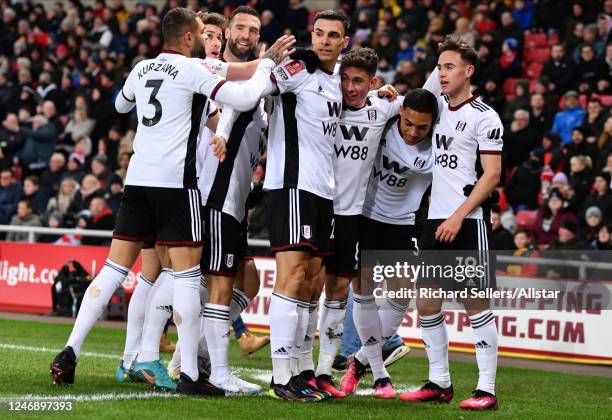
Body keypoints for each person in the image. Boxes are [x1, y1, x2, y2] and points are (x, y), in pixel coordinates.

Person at [49, 7, 295, 397]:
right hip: (177, 187)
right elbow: (245, 95)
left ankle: (70, 351)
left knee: (114, 270)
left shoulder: (142, 68)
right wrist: (267, 67)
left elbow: (119, 107)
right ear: (187, 38)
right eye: (202, 32)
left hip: (137, 182)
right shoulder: (194, 70)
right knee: (184, 277)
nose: (207, 38)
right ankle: (188, 374)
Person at [400, 35, 503, 410]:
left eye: (449, 67)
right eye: (439, 67)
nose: (441, 73)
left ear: (468, 71)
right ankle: (439, 383)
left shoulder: (485, 116)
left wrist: (459, 216)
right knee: (426, 303)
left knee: (475, 305)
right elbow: (411, 107)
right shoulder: (438, 108)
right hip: (435, 219)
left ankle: (486, 390)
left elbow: (492, 175)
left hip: (468, 221)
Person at [259, 9, 349, 402]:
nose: (324, 40)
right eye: (319, 33)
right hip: (291, 186)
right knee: (293, 277)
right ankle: (281, 376)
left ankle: (300, 370)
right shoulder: (299, 68)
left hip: (323, 193)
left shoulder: (337, 79)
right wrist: (267, 63)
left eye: (333, 35)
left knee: (312, 284)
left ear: (344, 41)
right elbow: (259, 89)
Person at [339, 88, 437, 398]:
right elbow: (351, 101)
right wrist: (375, 91)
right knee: (363, 292)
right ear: (401, 112)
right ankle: (379, 373)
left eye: (421, 127)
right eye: (408, 123)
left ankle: (360, 359)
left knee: (401, 296)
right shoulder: (384, 117)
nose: (412, 132)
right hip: (364, 217)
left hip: (404, 223)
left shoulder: (437, 144)